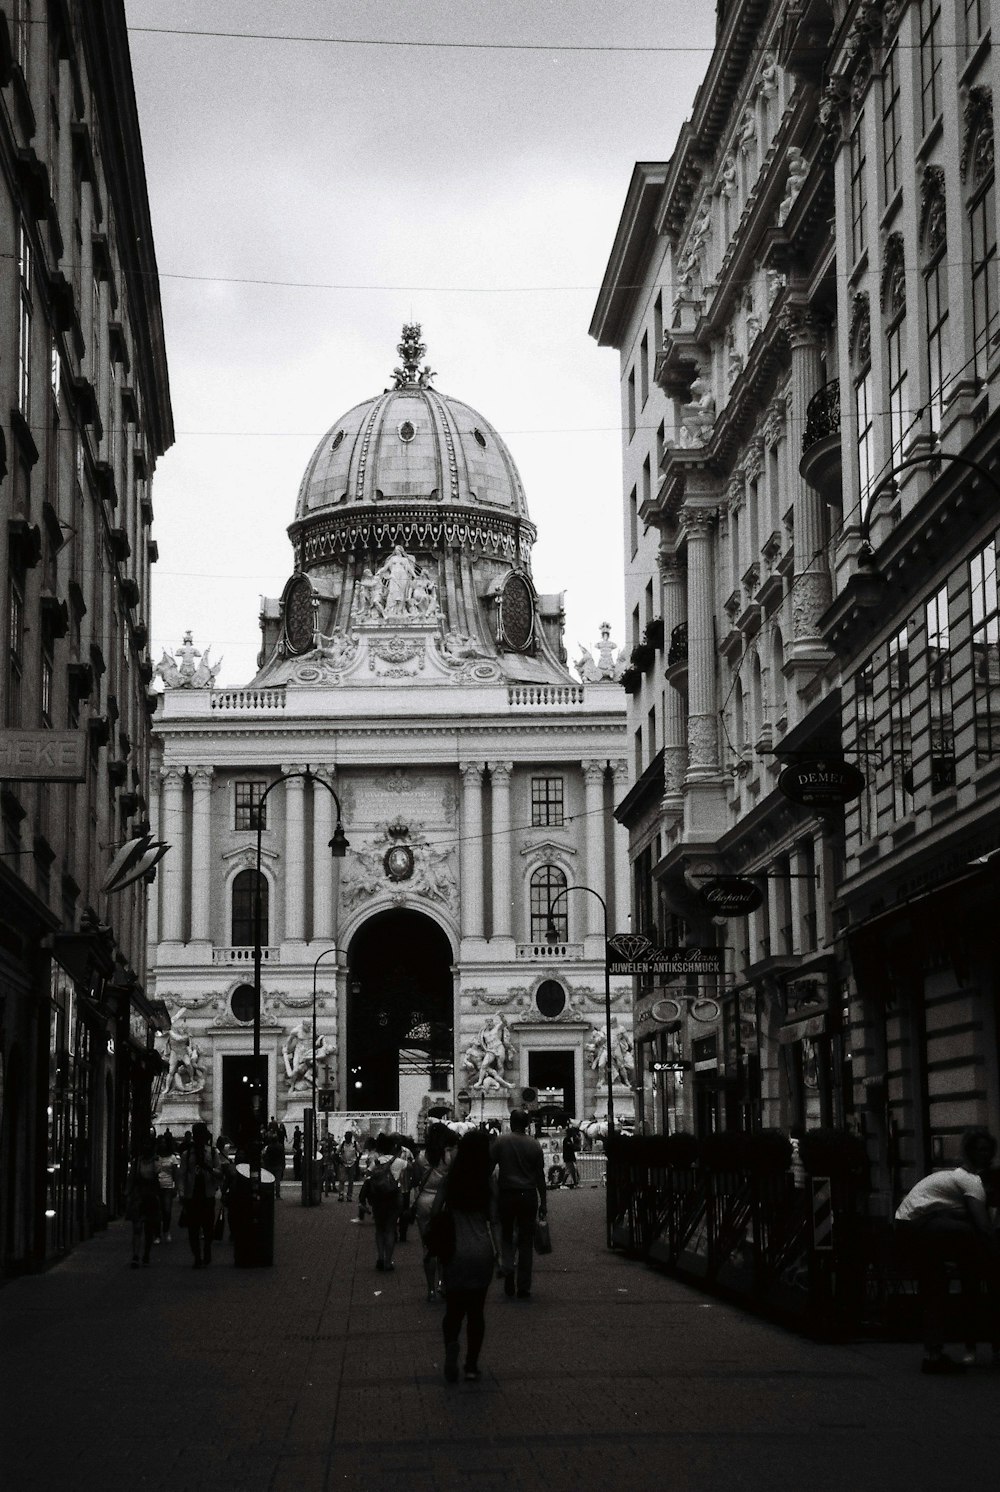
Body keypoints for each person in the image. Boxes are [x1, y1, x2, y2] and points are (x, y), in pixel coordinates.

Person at [895, 1127, 1000, 1373]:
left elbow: (951, 1213)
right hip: (918, 1227)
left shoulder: (953, 1179)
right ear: (971, 1153)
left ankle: (933, 1354)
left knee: (934, 1290)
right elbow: (983, 1227)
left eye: (987, 1150)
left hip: (907, 1225)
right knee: (971, 1234)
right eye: (980, 1150)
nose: (984, 1154)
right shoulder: (970, 1181)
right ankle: (936, 1353)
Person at [434, 1129, 498, 1382]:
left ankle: (451, 1345)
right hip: (481, 1251)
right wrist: (502, 1256)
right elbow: (495, 1220)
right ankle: (471, 1365)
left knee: (453, 1309)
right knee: (476, 1312)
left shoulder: (451, 1179)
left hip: (454, 1250)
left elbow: (436, 1209)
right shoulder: (487, 1181)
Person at [491, 1109, 547, 1300]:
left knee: (507, 1237)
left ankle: (508, 1273)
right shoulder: (534, 1145)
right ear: (527, 1124)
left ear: (511, 1122)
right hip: (528, 1195)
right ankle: (523, 1286)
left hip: (507, 1194)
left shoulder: (501, 1141)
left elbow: (489, 1167)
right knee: (525, 1242)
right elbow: (540, 1177)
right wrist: (544, 1202)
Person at [413, 1125, 455, 1301]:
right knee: (445, 1245)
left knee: (428, 1246)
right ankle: (443, 1284)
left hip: (424, 1201)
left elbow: (415, 1180)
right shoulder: (449, 1156)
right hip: (444, 1201)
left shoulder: (422, 1157)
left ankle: (430, 1289)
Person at [178, 1121, 223, 1268]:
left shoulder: (212, 1152)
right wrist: (182, 1193)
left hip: (207, 1195)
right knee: (193, 1229)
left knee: (208, 1227)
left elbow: (219, 1172)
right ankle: (197, 1257)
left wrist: (208, 1169)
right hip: (192, 1196)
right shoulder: (187, 1154)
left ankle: (207, 1249)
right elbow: (182, 1175)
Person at [368, 1135, 408, 1271]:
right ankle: (388, 1261)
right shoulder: (400, 1162)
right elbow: (413, 1172)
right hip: (393, 1197)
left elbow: (368, 1175)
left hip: (378, 1198)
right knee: (390, 1229)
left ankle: (380, 1258)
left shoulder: (376, 1162)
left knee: (379, 1229)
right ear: (393, 1147)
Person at [125, 1137, 161, 1268]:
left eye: (148, 1145)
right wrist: (128, 1194)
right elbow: (131, 1178)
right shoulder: (137, 1162)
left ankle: (146, 1253)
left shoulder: (156, 1161)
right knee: (137, 1227)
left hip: (150, 1197)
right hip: (139, 1196)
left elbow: (158, 1176)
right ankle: (136, 1255)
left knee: (149, 1229)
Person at [154, 1134, 180, 1243]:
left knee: (167, 1210)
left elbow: (175, 1173)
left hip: (168, 1186)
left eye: (164, 1142)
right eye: (161, 1142)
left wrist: (176, 1187)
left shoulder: (172, 1158)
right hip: (156, 1186)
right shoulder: (155, 1157)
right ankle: (157, 1234)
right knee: (157, 1211)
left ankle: (166, 1230)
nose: (162, 1144)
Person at [336, 1131, 360, 1203]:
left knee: (351, 1181)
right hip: (344, 1164)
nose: (347, 1138)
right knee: (342, 1180)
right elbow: (337, 1152)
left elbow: (360, 1152)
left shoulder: (355, 1144)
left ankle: (349, 1196)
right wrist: (340, 1160)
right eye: (346, 1136)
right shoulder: (342, 1144)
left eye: (349, 1137)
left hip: (352, 1164)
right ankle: (341, 1195)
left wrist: (356, 1160)